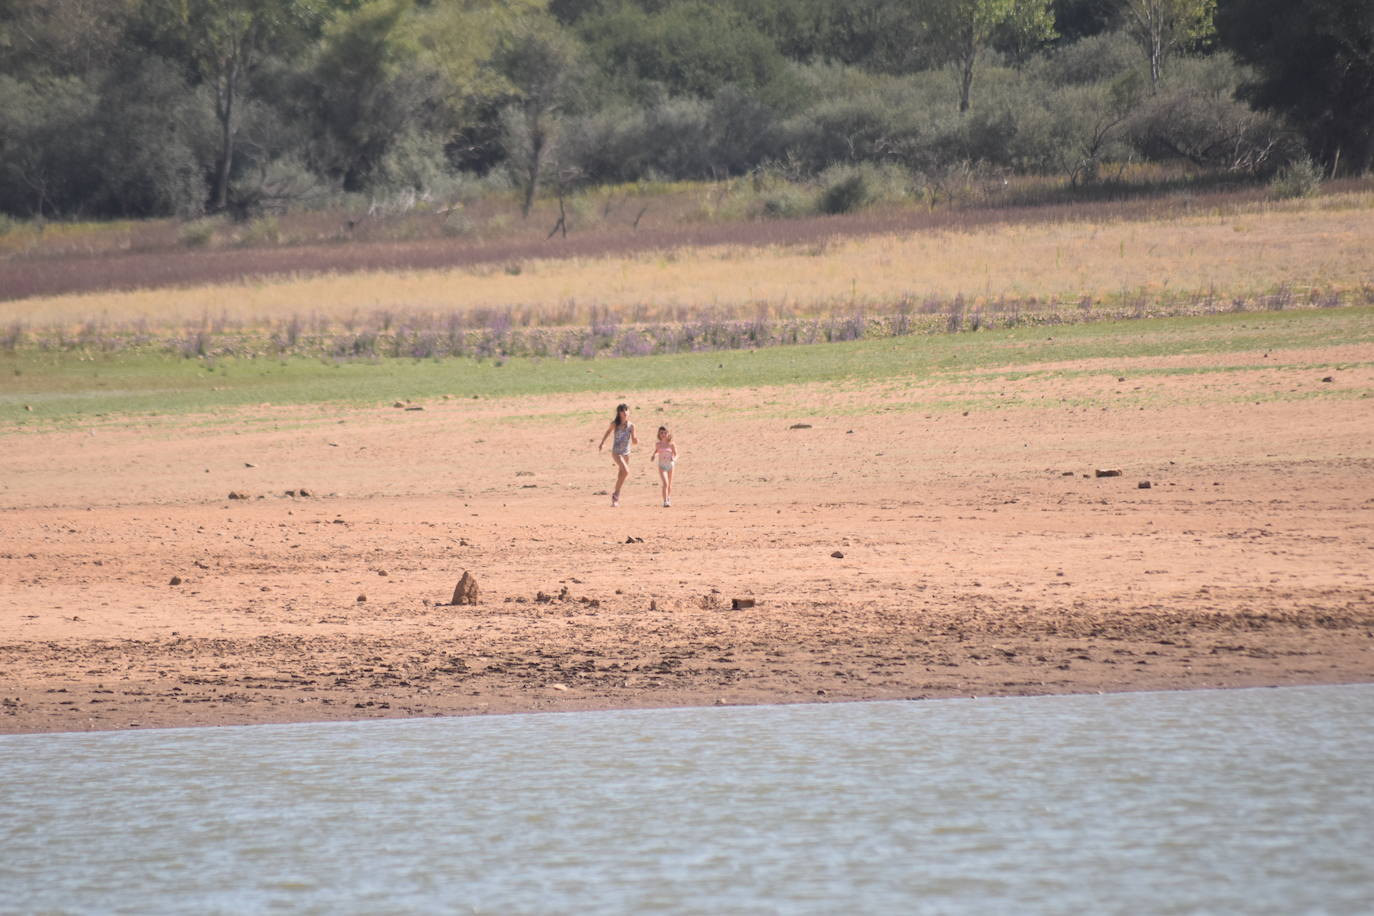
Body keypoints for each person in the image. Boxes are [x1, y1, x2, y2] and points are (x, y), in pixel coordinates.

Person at [597, 403, 637, 507]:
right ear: (619, 413)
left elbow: (634, 440)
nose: (625, 412)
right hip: (616, 452)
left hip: (626, 453)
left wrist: (636, 440)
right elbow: (608, 432)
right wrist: (602, 443)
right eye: (622, 411)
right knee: (626, 471)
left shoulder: (631, 426)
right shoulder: (615, 424)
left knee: (621, 475)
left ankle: (615, 498)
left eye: (626, 410)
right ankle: (615, 496)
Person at [652, 426, 678, 507]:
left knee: (669, 485)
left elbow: (676, 454)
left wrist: (674, 458)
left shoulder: (671, 444)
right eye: (661, 433)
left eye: (665, 432)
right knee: (665, 483)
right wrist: (653, 455)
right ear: (659, 434)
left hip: (670, 465)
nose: (663, 434)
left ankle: (668, 498)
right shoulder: (658, 444)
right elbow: (656, 451)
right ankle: (665, 501)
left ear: (668, 433)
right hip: (662, 466)